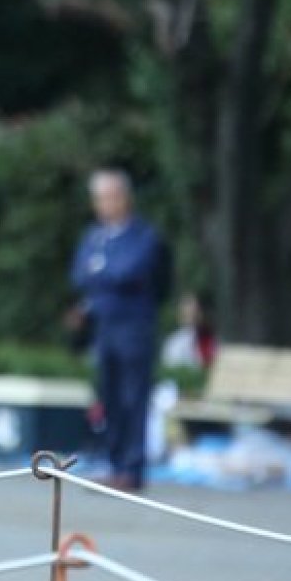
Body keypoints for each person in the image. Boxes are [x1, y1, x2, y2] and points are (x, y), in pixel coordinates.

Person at [69, 167, 170, 492]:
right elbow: (80, 275)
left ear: (125, 198)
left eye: (111, 196)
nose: (105, 204)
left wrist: (102, 272)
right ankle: (112, 463)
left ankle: (132, 467)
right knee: (108, 397)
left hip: (134, 325)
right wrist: (104, 274)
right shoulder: (94, 236)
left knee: (133, 398)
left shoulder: (144, 236)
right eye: (100, 198)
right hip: (104, 326)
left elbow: (130, 272)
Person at [160, 291, 216, 369]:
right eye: (187, 310)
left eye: (195, 310)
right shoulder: (173, 342)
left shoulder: (209, 340)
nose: (191, 313)